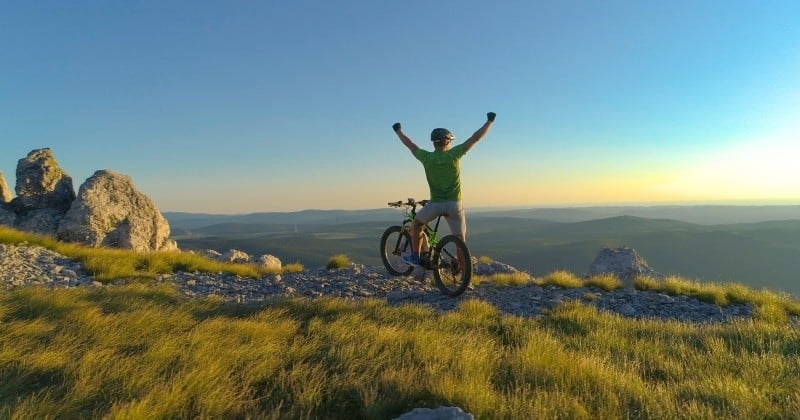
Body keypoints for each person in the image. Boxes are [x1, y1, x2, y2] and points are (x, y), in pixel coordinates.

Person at [392, 112, 496, 266]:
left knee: (416, 224)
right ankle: (463, 276)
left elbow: (410, 145)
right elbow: (475, 138)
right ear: (448, 142)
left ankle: (415, 256)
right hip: (455, 205)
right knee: (460, 241)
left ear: (434, 143)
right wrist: (489, 122)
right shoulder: (454, 155)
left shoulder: (426, 157)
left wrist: (399, 131)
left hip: (436, 205)